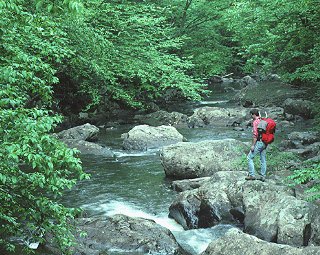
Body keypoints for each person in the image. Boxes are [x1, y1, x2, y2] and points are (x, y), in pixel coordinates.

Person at [245, 108, 267, 181]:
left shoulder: (255, 122)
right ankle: (263, 176)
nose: (251, 116)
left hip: (259, 142)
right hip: (265, 142)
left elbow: (255, 135)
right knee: (263, 159)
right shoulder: (262, 120)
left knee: (249, 157)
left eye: (251, 115)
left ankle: (251, 175)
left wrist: (253, 145)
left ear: (254, 114)